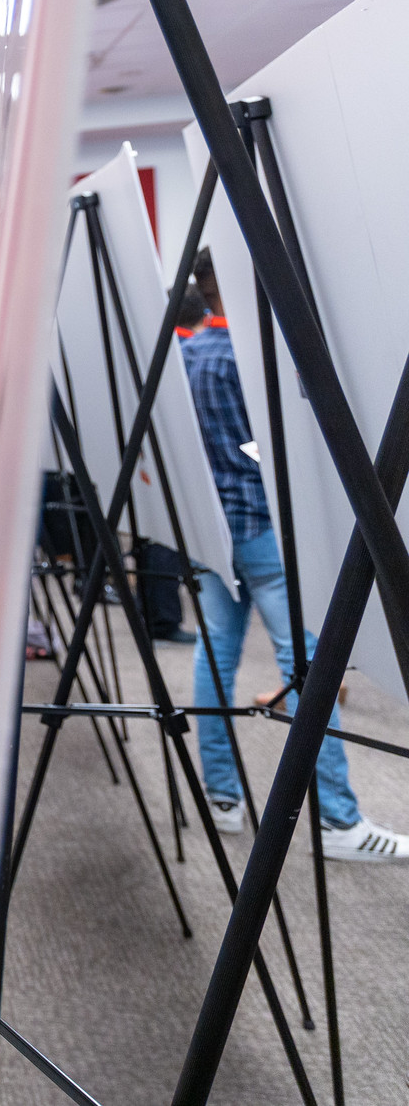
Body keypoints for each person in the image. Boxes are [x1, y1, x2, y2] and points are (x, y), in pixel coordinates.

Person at [181, 252, 406, 860]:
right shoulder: (247, 362)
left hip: (215, 530)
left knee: (215, 654)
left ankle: (222, 797)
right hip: (263, 531)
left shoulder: (189, 354)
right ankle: (338, 820)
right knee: (310, 667)